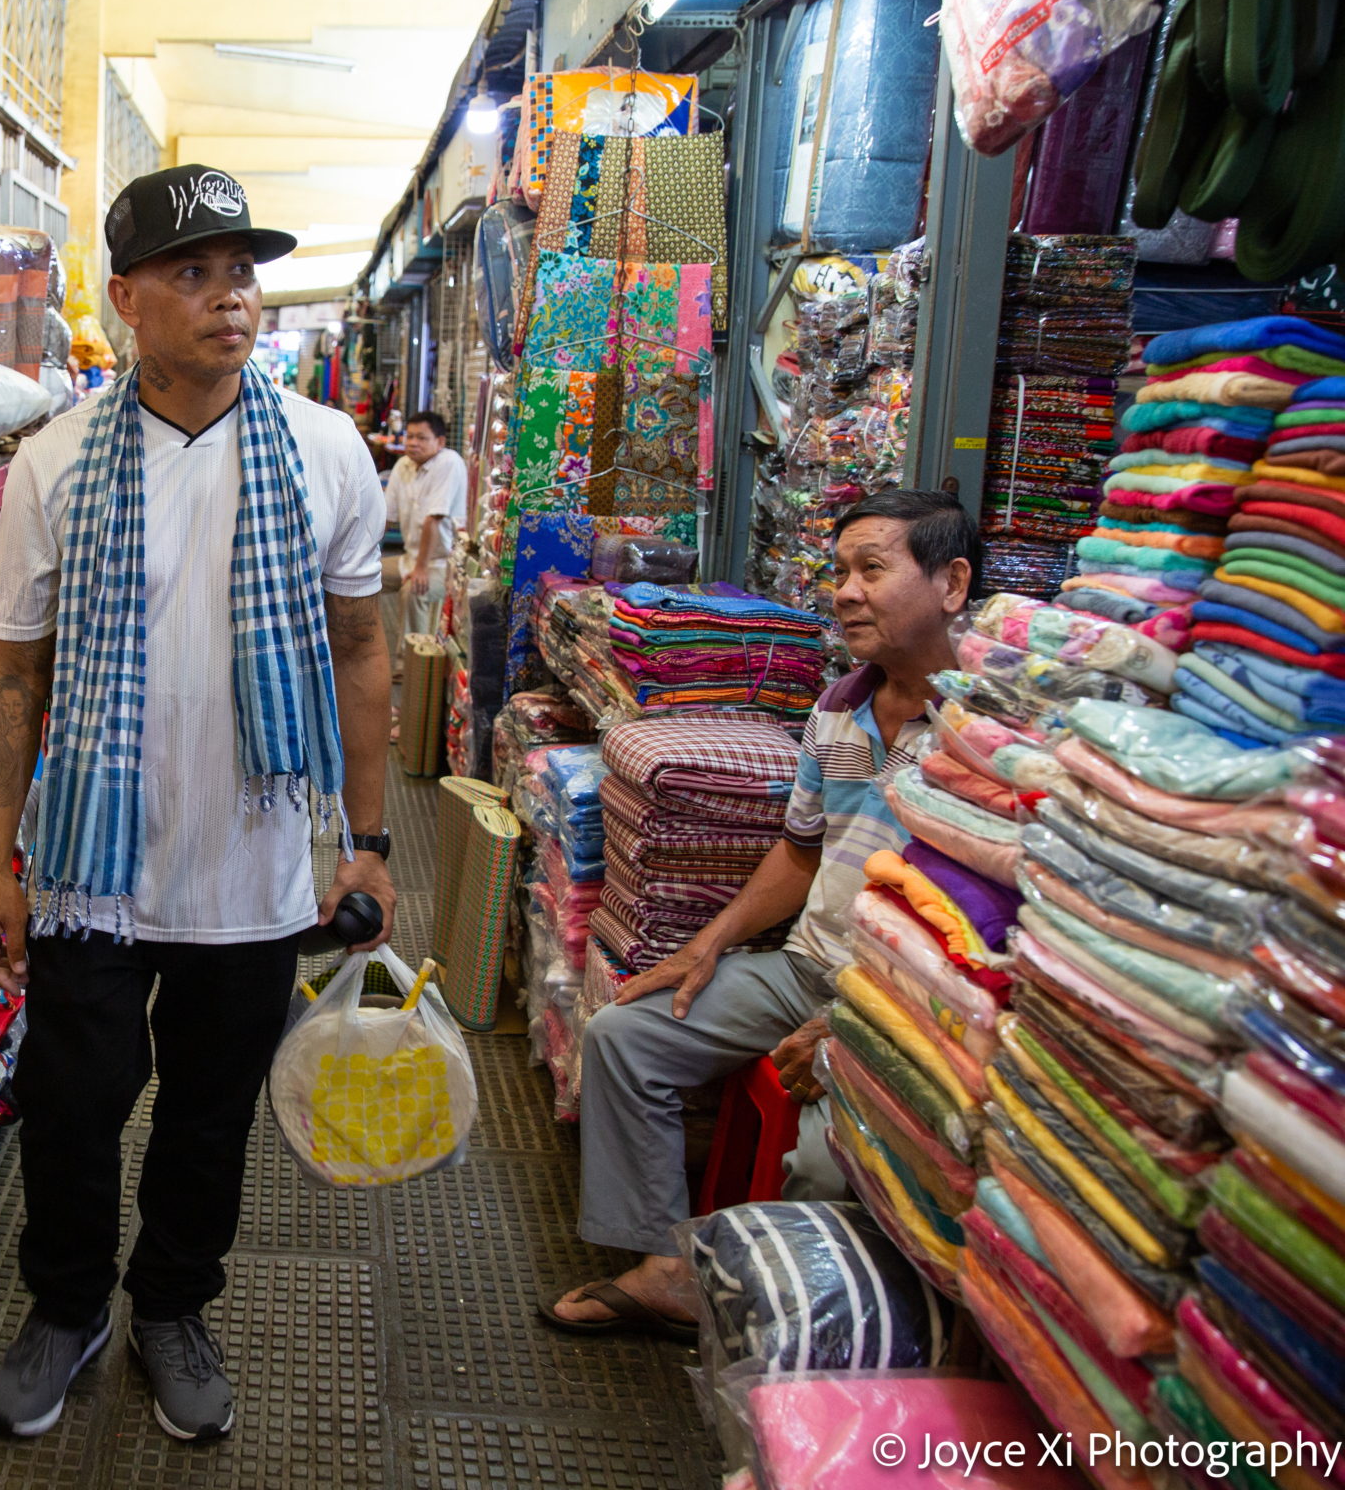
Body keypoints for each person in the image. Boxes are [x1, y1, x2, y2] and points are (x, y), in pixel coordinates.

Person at [0, 164, 398, 1442]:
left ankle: (171, 1304)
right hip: (91, 869)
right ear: (125, 304)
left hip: (253, 874)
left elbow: (365, 652)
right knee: (70, 1106)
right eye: (194, 274)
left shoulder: (325, 454)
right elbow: (10, 673)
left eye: (243, 273)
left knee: (209, 1121)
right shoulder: (52, 466)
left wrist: (367, 845)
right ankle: (65, 1305)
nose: (232, 300)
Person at [543, 488, 979, 1339]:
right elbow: (801, 851)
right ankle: (667, 1268)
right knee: (626, 1035)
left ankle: (816, 1338)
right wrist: (705, 946)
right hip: (807, 968)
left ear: (952, 583)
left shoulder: (982, 734)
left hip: (908, 1005)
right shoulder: (839, 706)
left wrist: (858, 1026)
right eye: (841, 571)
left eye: (873, 570)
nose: (846, 591)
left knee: (826, 1156)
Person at [384, 410, 467, 637]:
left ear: (440, 442)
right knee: (357, 577)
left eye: (421, 438)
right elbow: (385, 518)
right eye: (409, 437)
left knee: (414, 591)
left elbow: (434, 519)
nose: (412, 443)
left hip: (442, 564)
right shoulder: (403, 465)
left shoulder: (449, 462)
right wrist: (363, 557)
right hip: (409, 558)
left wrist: (421, 568)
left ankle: (409, 669)